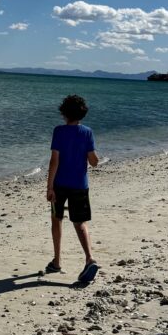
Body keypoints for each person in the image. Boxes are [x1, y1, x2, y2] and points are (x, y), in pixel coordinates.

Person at [45, 94, 99, 285]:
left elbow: (54, 161)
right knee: (80, 223)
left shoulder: (59, 131)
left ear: (64, 112)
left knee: (56, 219)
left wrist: (49, 187)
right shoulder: (87, 132)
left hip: (60, 185)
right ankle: (89, 258)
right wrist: (92, 156)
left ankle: (57, 261)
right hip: (80, 185)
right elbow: (93, 162)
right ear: (82, 113)